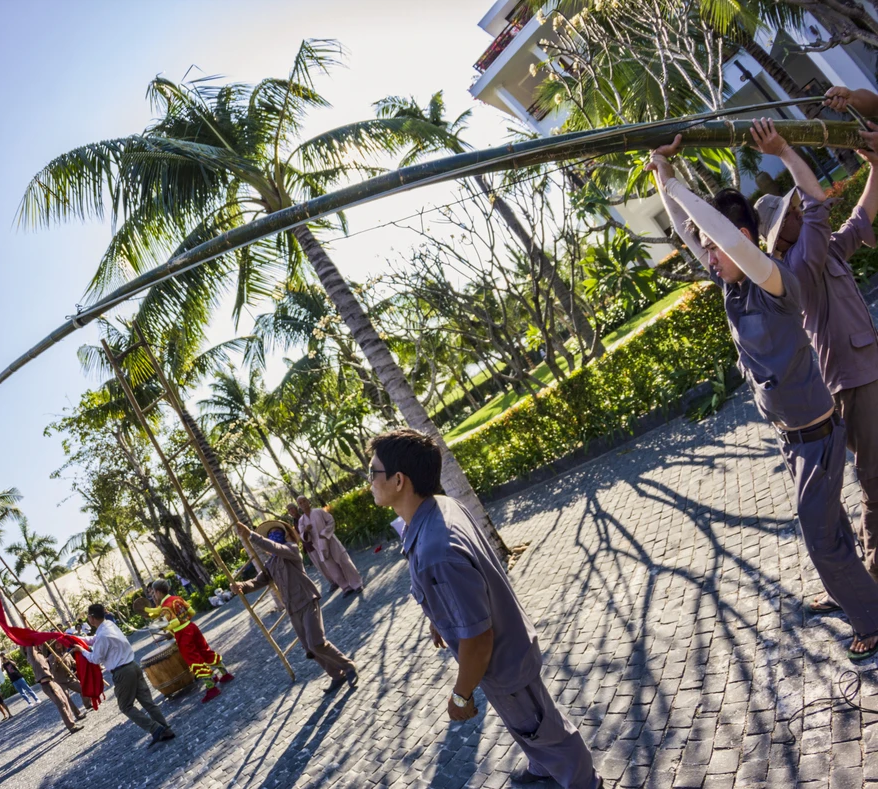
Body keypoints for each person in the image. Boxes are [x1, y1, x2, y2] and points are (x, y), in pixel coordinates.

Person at [649, 127, 878, 661]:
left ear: (742, 239)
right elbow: (690, 231)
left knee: (819, 536)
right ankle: (857, 589)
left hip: (815, 433)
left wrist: (679, 188)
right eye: (708, 251)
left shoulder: (774, 282)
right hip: (792, 438)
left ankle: (871, 618)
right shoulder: (731, 289)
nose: (709, 257)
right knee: (830, 528)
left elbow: (726, 240)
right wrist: (663, 172)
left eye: (716, 247)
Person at [368, 429, 602, 787]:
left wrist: (461, 696)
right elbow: (461, 585)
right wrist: (439, 617)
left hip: (503, 660)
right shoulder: (439, 508)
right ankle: (543, 767)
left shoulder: (435, 551)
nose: (369, 481)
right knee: (527, 722)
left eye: (373, 472)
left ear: (399, 480)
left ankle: (585, 781)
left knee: (545, 728)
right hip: (506, 651)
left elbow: (478, 639)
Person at [753, 137, 878, 601]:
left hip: (864, 370)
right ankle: (871, 577)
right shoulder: (796, 267)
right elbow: (819, 206)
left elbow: (860, 218)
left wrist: (876, 166)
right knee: (874, 479)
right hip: (851, 380)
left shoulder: (821, 252)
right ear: (780, 235)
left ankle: (858, 574)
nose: (799, 213)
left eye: (795, 209)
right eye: (791, 214)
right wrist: (784, 151)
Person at [230, 520, 358, 692]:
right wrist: (241, 586)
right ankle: (336, 675)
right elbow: (259, 581)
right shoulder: (271, 564)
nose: (274, 537)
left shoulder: (291, 550)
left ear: (285, 536)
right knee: (310, 648)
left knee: (317, 642)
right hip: (292, 609)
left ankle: (348, 665)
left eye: (277, 533)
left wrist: (251, 535)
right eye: (270, 535)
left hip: (306, 600)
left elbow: (276, 548)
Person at [80, 603, 175, 746]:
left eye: (88, 616)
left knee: (125, 706)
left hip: (122, 672)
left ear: (92, 618)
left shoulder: (103, 635)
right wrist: (78, 640)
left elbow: (95, 658)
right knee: (148, 702)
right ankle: (166, 728)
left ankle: (156, 729)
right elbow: (95, 639)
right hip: (132, 665)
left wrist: (81, 651)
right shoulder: (109, 625)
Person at [145, 578, 234, 703]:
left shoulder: (166, 606)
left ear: (158, 592)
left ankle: (211, 687)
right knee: (205, 650)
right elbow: (192, 612)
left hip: (182, 634)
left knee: (194, 659)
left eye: (154, 592)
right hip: (192, 627)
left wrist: (163, 627)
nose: (154, 595)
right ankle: (225, 674)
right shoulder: (177, 598)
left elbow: (175, 623)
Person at [296, 496, 363, 597]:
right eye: (300, 503)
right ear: (299, 506)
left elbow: (331, 521)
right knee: (332, 567)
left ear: (308, 501)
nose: (303, 504)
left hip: (330, 540)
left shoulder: (319, 511)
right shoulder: (301, 521)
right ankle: (346, 587)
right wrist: (306, 531)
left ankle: (357, 584)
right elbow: (303, 536)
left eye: (304, 501)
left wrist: (324, 533)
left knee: (344, 560)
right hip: (318, 545)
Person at [23, 645, 85, 734]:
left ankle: (72, 722)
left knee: (65, 702)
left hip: (52, 681)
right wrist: (29, 641)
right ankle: (71, 726)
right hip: (47, 684)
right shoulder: (32, 656)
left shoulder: (40, 654)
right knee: (61, 704)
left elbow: (43, 646)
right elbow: (29, 646)